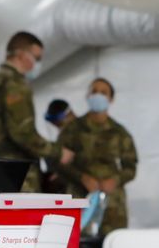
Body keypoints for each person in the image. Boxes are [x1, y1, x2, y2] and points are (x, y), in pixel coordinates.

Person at [0, 32, 72, 192]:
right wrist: (57, 153)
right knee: (20, 210)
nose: (37, 64)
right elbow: (23, 134)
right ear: (21, 55)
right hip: (15, 176)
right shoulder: (16, 85)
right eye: (36, 58)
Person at [57, 77, 138, 232]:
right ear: (88, 95)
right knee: (79, 242)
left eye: (103, 92)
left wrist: (115, 180)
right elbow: (58, 161)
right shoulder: (73, 129)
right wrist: (82, 178)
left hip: (112, 206)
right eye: (94, 91)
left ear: (111, 99)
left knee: (112, 242)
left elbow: (131, 167)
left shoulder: (120, 133)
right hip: (80, 200)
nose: (98, 95)